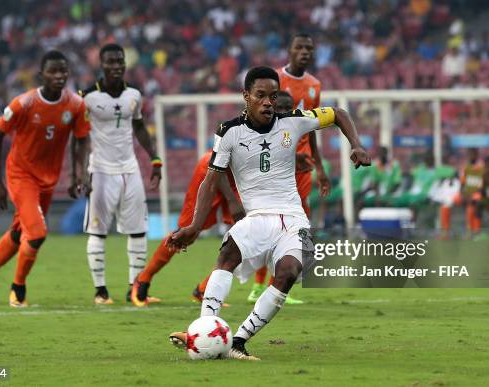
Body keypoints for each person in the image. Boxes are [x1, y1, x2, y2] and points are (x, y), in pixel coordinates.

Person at [167, 66, 370, 360]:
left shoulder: (293, 122)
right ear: (246, 96)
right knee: (227, 256)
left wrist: (358, 145)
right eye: (260, 95)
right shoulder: (229, 132)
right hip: (257, 218)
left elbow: (338, 113)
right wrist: (195, 227)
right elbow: (211, 180)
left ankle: (237, 342)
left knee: (288, 272)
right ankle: (203, 329)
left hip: (293, 219)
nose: (267, 102)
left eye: (272, 96)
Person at [0, 50, 90, 307]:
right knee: (36, 234)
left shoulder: (75, 105)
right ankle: (18, 289)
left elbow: (81, 140)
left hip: (48, 179)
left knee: (18, 232)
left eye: (63, 71)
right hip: (20, 175)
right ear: (41, 75)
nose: (59, 76)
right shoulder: (24, 103)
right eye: (53, 71)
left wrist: (77, 173)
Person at [247, 33, 330, 305]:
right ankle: (259, 284)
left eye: (309, 48)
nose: (305, 52)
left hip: (303, 160)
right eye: (299, 47)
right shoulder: (275, 81)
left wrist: (319, 165)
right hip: (279, 157)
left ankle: (276, 281)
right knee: (272, 218)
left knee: (296, 218)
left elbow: (313, 125)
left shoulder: (314, 85)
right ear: (289, 51)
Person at [79, 43, 162, 305]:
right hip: (101, 170)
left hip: (130, 169)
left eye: (120, 62)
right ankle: (100, 291)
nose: (116, 67)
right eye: (110, 62)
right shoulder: (87, 97)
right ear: (101, 65)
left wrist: (155, 159)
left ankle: (135, 289)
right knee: (98, 232)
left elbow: (139, 127)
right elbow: (79, 138)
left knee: (138, 230)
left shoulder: (134, 95)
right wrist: (81, 173)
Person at [130, 148, 243, 307]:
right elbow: (223, 153)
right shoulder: (239, 128)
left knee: (245, 235)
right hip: (212, 168)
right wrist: (231, 200)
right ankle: (143, 279)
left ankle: (204, 290)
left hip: (239, 175)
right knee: (187, 233)